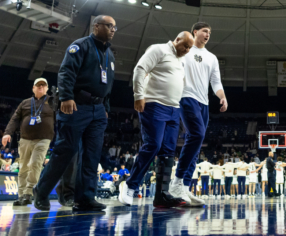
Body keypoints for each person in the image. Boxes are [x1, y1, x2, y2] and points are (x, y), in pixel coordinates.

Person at [33, 15, 116, 211]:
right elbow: (66, 72)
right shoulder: (80, 46)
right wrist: (67, 97)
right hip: (77, 105)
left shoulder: (109, 54)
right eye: (109, 26)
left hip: (98, 110)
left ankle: (85, 198)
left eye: (115, 27)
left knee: (92, 155)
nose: (113, 30)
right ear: (96, 26)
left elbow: (109, 84)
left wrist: (106, 108)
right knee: (66, 151)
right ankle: (42, 191)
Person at [118, 31, 194, 208]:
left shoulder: (180, 60)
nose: (187, 50)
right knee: (153, 145)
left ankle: (162, 194)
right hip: (153, 105)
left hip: (173, 109)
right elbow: (140, 69)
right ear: (177, 40)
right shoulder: (158, 50)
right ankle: (130, 186)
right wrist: (138, 95)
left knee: (168, 152)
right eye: (185, 45)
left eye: (190, 47)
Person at [170, 22, 227, 207]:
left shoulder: (212, 57)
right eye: (205, 31)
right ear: (195, 32)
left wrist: (222, 97)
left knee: (196, 143)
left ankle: (185, 187)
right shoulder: (185, 50)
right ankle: (177, 182)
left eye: (210, 32)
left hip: (204, 102)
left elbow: (216, 82)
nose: (208, 34)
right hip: (186, 96)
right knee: (197, 135)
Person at [2, 78, 54, 207]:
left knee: (36, 163)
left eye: (43, 85)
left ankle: (29, 193)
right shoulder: (25, 103)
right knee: (24, 167)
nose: (41, 87)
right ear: (33, 88)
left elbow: (64, 114)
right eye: (38, 85)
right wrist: (7, 132)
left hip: (43, 139)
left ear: (47, 88)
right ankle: (21, 196)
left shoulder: (53, 102)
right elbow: (14, 118)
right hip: (25, 139)